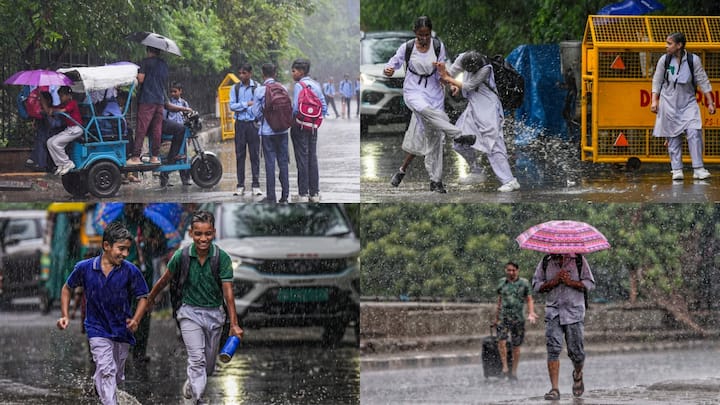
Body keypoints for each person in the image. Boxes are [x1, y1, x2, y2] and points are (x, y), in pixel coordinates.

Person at [147, 210, 243, 405]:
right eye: (198, 234)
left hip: (215, 315)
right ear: (191, 233)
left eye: (207, 234)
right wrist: (149, 300)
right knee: (196, 359)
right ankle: (198, 399)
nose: (203, 239)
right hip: (189, 313)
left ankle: (192, 385)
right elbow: (163, 281)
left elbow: (229, 294)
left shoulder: (221, 258)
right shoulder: (181, 256)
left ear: (214, 233)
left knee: (208, 366)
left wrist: (234, 323)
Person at [56, 221, 149, 405]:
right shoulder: (85, 267)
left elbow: (143, 296)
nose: (124, 254)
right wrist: (65, 315)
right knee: (107, 370)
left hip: (122, 330)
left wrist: (136, 319)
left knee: (116, 376)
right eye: (120, 248)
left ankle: (102, 385)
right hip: (96, 329)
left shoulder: (130, 271)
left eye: (127, 250)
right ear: (106, 246)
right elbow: (67, 288)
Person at [384, 16, 474, 193]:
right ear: (414, 33)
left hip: (434, 92)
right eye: (420, 35)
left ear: (430, 32)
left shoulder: (438, 46)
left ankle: (436, 180)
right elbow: (394, 62)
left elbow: (441, 72)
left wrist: (452, 83)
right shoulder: (407, 47)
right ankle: (456, 133)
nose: (424, 38)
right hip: (413, 90)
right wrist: (388, 69)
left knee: (435, 138)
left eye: (426, 35)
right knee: (423, 109)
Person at [438, 51, 521, 192]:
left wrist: (450, 79)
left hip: (488, 107)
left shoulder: (485, 68)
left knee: (493, 144)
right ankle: (477, 171)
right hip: (473, 107)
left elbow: (468, 85)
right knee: (459, 141)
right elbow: (450, 74)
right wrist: (453, 83)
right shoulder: (461, 57)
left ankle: (510, 180)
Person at [651, 32, 715, 181]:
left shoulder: (693, 60)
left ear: (679, 45)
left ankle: (698, 168)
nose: (666, 46)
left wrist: (710, 102)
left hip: (688, 102)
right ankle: (676, 169)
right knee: (673, 137)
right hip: (668, 102)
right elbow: (657, 80)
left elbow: (703, 81)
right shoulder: (664, 60)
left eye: (669, 43)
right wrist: (654, 100)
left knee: (694, 132)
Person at [532, 253, 595, 400]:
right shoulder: (545, 262)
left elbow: (590, 284)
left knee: (577, 353)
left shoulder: (579, 260)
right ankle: (554, 389)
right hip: (553, 312)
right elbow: (536, 285)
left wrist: (570, 282)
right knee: (553, 349)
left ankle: (578, 374)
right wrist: (553, 282)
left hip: (574, 313)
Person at [117, 203, 167, 364]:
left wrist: (151, 242)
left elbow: (162, 244)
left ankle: (139, 351)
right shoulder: (118, 224)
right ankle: (123, 348)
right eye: (132, 206)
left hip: (144, 276)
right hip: (123, 276)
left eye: (138, 206)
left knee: (143, 313)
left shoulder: (148, 223)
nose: (135, 208)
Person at [252, 63, 290, 203]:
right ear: (275, 74)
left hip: (268, 132)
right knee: (283, 163)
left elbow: (255, 112)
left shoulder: (260, 91)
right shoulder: (283, 88)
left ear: (263, 74)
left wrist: (262, 118)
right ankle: (285, 196)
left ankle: (271, 196)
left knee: (270, 164)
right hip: (283, 131)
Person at [291, 58, 327, 202]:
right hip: (312, 127)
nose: (292, 74)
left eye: (293, 71)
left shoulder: (299, 86)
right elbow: (324, 107)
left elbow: (295, 109)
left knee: (302, 158)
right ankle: (315, 193)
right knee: (313, 158)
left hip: (299, 126)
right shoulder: (316, 85)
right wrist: (315, 121)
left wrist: (295, 120)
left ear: (301, 72)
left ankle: (303, 193)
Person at [494, 261, 537, 381]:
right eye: (509, 270)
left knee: (516, 345)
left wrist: (531, 312)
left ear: (517, 271)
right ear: (505, 270)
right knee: (501, 341)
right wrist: (496, 317)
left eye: (513, 270)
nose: (511, 272)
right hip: (504, 317)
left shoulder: (524, 283)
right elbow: (500, 300)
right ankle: (505, 368)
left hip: (518, 318)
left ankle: (514, 371)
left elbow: (529, 299)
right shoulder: (502, 282)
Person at [128, 46, 169, 166]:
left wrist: (136, 75)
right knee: (157, 129)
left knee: (142, 128)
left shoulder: (145, 62)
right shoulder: (164, 65)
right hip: (159, 100)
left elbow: (140, 79)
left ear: (149, 51)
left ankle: (136, 156)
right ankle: (155, 156)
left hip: (147, 99)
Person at [229, 63, 263, 197]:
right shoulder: (235, 88)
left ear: (250, 73)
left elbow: (259, 106)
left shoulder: (257, 87)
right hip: (240, 124)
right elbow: (232, 106)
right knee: (240, 155)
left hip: (253, 124)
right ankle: (240, 185)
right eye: (240, 73)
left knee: (255, 155)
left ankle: (256, 185)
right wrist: (246, 104)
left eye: (244, 73)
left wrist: (248, 108)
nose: (241, 76)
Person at [47, 86, 83, 176]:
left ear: (68, 95)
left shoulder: (72, 103)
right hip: (70, 129)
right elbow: (57, 108)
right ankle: (60, 164)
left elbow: (63, 110)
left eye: (61, 96)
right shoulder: (64, 103)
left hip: (76, 129)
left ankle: (67, 163)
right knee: (49, 142)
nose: (60, 98)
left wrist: (54, 110)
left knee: (55, 143)